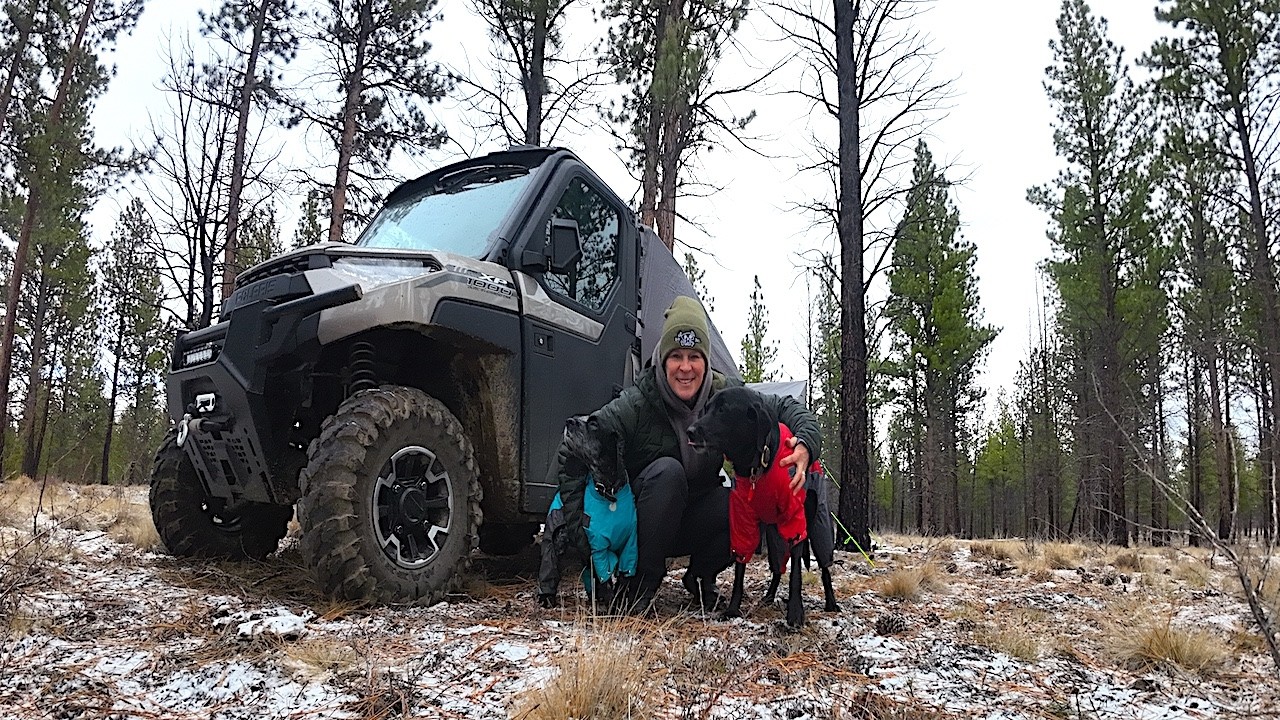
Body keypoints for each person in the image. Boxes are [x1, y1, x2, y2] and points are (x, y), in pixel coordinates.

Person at [551, 295, 822, 612]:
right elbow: (573, 446)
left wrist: (805, 444)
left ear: (706, 361)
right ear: (663, 360)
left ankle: (701, 578)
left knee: (738, 503)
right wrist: (580, 532)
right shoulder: (636, 403)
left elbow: (788, 408)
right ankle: (641, 585)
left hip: (691, 518)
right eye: (675, 356)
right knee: (668, 472)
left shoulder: (725, 394)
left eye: (694, 356)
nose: (685, 367)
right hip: (643, 522)